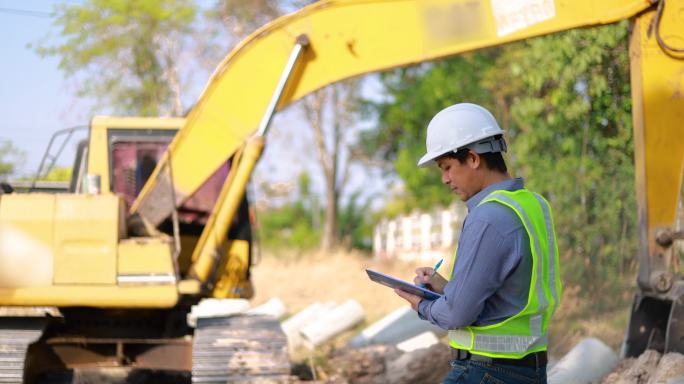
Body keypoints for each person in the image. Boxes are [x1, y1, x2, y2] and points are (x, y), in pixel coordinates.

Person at [394, 103, 562, 383]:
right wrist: (445, 288)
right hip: (528, 371)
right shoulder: (532, 204)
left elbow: (457, 314)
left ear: (472, 158)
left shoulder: (488, 217)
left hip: (486, 372)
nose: (445, 179)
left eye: (447, 167)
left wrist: (422, 305)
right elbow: (509, 295)